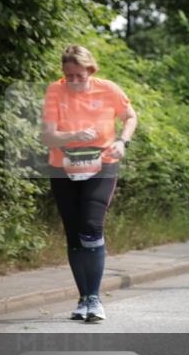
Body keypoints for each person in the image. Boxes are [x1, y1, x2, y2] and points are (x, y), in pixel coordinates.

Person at [42, 45, 138, 322]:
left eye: (78, 76)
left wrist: (122, 140)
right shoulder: (54, 91)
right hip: (64, 168)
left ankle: (94, 298)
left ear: (90, 71)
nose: (72, 81)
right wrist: (74, 135)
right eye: (68, 75)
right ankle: (83, 298)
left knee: (91, 226)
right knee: (73, 232)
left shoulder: (108, 90)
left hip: (102, 164)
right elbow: (48, 136)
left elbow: (130, 117)